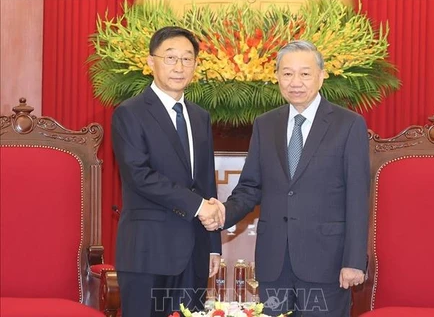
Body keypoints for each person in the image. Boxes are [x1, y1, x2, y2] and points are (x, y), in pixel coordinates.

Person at [207, 40, 370, 316]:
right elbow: (250, 187)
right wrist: (223, 213)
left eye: (305, 73)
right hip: (274, 263)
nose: (296, 82)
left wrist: (354, 261)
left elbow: (357, 195)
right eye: (287, 73)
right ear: (277, 77)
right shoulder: (265, 124)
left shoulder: (349, 124)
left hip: (327, 263)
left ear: (321, 75)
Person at [111, 26, 225, 317]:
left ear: (196, 65)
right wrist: (199, 206)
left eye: (187, 59)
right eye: (170, 57)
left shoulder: (200, 117)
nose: (179, 67)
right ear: (151, 62)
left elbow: (205, 183)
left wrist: (213, 245)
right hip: (147, 252)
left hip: (193, 253)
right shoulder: (130, 113)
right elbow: (139, 175)